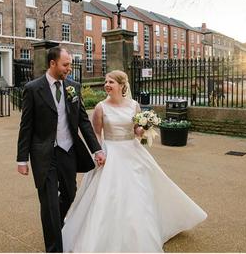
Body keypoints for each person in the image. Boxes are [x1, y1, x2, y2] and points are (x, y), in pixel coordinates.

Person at [62, 70, 207, 252]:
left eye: (111, 82)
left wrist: (144, 128)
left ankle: (141, 232)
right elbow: (96, 133)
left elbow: (137, 131)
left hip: (132, 151)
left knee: (140, 190)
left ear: (122, 85)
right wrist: (99, 152)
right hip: (111, 153)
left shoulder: (134, 105)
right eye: (106, 81)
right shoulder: (101, 107)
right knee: (108, 194)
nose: (107, 85)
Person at [16, 47, 106, 253]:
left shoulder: (73, 86)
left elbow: (83, 121)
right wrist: (22, 159)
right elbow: (26, 126)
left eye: (70, 64)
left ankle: (57, 224)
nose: (69, 69)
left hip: (67, 150)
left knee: (70, 193)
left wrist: (97, 150)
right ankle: (55, 248)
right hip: (43, 153)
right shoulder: (33, 88)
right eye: (66, 65)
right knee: (49, 204)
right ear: (52, 64)